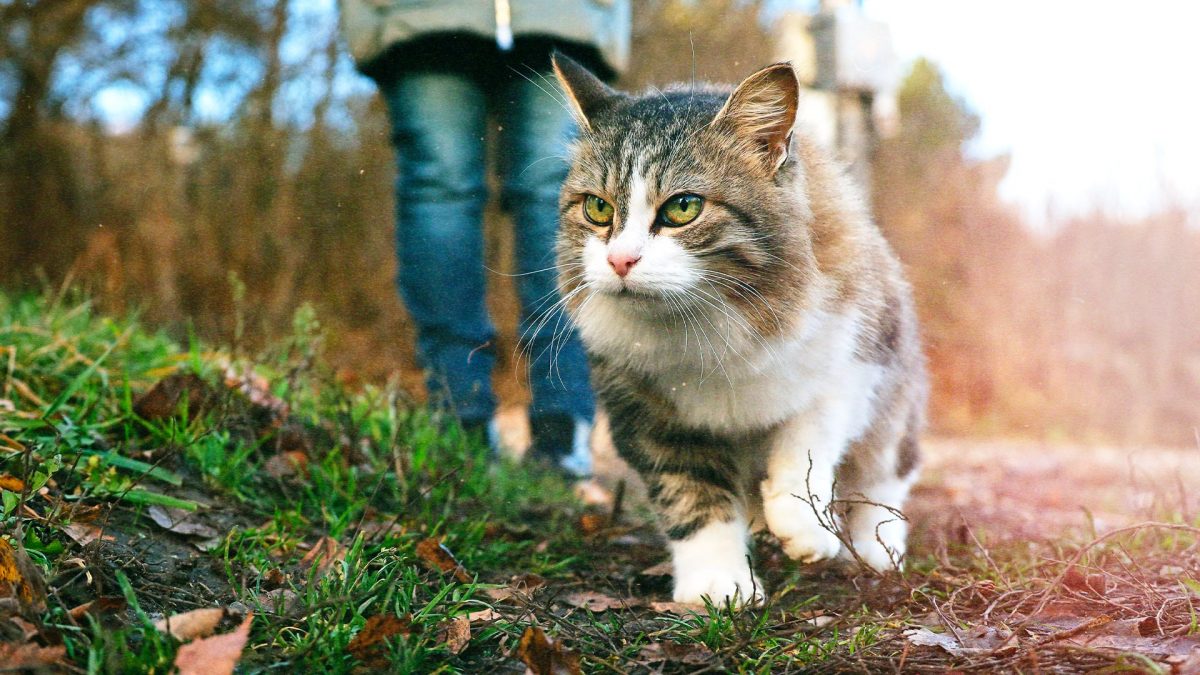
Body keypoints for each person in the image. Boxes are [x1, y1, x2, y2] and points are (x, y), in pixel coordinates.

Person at [338, 1, 630, 477]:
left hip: (562, 17)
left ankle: (561, 425)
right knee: (445, 187)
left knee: (560, 190)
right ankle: (461, 419)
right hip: (420, 16)